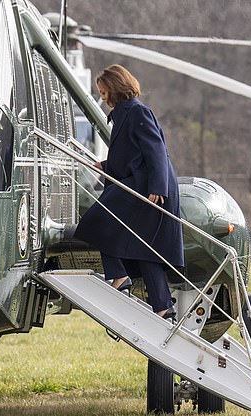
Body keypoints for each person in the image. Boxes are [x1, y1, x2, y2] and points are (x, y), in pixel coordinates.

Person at [74, 64, 183, 319]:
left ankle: (119, 275)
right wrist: (105, 166)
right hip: (143, 183)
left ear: (115, 88)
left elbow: (155, 150)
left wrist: (158, 187)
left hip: (150, 188)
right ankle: (163, 307)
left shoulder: (137, 112)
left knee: (99, 218)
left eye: (103, 90)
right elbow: (131, 157)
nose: (101, 95)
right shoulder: (124, 114)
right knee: (144, 248)